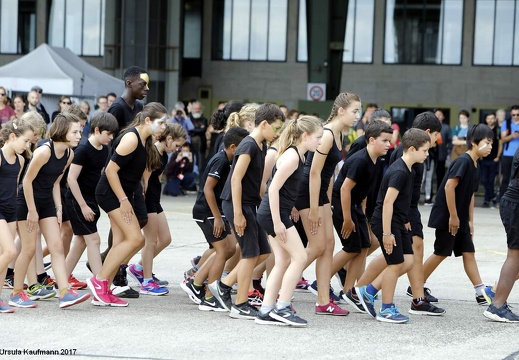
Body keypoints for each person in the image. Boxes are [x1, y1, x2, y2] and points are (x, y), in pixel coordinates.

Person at [87, 102, 167, 307]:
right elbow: (110, 171)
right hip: (109, 193)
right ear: (148, 120)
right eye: (161, 122)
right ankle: (99, 281)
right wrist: (124, 201)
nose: (164, 127)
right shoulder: (131, 138)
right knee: (135, 239)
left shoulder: (144, 139)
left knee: (120, 242)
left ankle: (105, 288)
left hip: (121, 193)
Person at [208, 103, 284, 319]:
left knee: (263, 251)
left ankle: (224, 285)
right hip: (237, 204)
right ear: (264, 124)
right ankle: (240, 303)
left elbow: (256, 183)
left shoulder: (260, 145)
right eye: (276, 129)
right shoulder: (248, 145)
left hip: (250, 204)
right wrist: (239, 213)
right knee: (250, 253)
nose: (278, 133)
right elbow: (236, 180)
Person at [11, 113, 90, 309]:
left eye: (79, 131)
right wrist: (31, 210)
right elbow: (27, 181)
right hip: (27, 201)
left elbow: (55, 182)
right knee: (29, 249)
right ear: (62, 131)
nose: (79, 135)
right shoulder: (44, 152)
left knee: (56, 246)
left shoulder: (69, 154)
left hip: (47, 202)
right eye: (75, 132)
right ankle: (16, 293)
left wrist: (59, 207)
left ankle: (64, 293)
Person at [356, 129, 431, 323]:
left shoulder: (409, 169)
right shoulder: (399, 171)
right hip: (386, 223)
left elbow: (401, 201)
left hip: (398, 222)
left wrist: (405, 219)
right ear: (413, 149)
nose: (427, 154)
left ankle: (368, 291)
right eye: (425, 150)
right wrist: (387, 233)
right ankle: (387, 309)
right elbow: (387, 203)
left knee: (408, 261)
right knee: (395, 264)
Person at [295, 92, 360, 316]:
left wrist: (328, 204)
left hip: (321, 194)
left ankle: (323, 301)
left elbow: (329, 174)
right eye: (354, 111)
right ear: (341, 111)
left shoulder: (339, 134)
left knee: (329, 245)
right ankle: (277, 289)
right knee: (316, 246)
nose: (357, 116)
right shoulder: (328, 134)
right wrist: (314, 209)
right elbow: (313, 171)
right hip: (307, 192)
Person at [255, 116, 323, 326]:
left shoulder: (298, 156)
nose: (320, 142)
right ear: (305, 136)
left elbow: (283, 189)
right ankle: (283, 307)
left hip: (276, 213)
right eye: (317, 137)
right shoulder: (293, 157)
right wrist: (277, 222)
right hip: (273, 215)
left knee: (283, 260)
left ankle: (266, 310)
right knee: (300, 257)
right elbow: (273, 188)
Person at [423, 124, 495, 305]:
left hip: (460, 219)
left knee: (468, 251)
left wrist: (470, 221)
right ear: (474, 142)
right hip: (448, 217)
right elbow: (449, 187)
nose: (490, 147)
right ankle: (416, 286)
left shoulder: (475, 164)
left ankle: (480, 292)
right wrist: (453, 216)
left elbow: (470, 194)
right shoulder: (463, 161)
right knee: (441, 252)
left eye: (492, 143)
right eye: (487, 143)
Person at [181, 127, 249, 310]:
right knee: (222, 250)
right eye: (244, 148)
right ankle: (210, 296)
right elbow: (208, 189)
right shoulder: (220, 160)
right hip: (207, 211)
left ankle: (196, 283)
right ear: (233, 147)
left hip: (214, 211)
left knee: (228, 249)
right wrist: (217, 217)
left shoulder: (227, 160)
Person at [330, 120, 393, 311]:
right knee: (351, 247)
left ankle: (350, 291)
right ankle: (320, 281)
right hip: (343, 206)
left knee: (364, 245)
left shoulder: (376, 160)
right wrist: (348, 219)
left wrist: (363, 215)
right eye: (385, 141)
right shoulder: (360, 160)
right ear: (371, 140)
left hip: (355, 206)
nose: (388, 145)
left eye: (389, 141)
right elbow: (344, 189)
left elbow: (363, 191)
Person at [388, 112, 444, 315]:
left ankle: (418, 297)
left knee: (413, 252)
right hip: (405, 210)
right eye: (436, 134)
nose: (437, 139)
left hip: (410, 209)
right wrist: (402, 217)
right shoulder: (407, 154)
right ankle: (367, 289)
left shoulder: (417, 152)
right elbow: (396, 189)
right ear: (427, 132)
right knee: (407, 255)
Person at [104, 66, 150, 298]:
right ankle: (115, 270)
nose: (147, 89)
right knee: (123, 227)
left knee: (140, 219)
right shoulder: (117, 108)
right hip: (118, 178)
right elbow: (108, 144)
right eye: (143, 84)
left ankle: (110, 260)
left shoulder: (139, 109)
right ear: (130, 83)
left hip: (133, 177)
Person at [128, 123, 186, 296]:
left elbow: (157, 179)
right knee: (150, 241)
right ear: (168, 139)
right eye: (176, 145)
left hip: (155, 200)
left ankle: (138, 268)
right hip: (146, 200)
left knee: (166, 238)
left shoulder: (164, 155)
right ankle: (146, 282)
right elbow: (144, 180)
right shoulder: (152, 152)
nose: (177, 149)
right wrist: (141, 205)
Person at [64, 113, 119, 288]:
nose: (111, 138)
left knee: (81, 241)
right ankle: (101, 284)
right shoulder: (82, 150)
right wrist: (83, 206)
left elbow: (101, 174)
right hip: (76, 200)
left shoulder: (104, 150)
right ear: (97, 130)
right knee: (94, 240)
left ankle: (62, 279)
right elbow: (71, 179)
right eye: (108, 134)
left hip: (91, 200)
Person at [0, 119, 35, 313]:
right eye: (25, 141)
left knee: (3, 256)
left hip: (10, 210)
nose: (27, 145)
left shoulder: (20, 160)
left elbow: (13, 187)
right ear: (13, 137)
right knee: (11, 252)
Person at [484, 146, 519, 322]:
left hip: (513, 204)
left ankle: (496, 291)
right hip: (516, 205)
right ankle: (497, 306)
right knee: (515, 255)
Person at [480, 113, 502, 208]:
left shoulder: (498, 130)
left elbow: (500, 144)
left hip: (493, 159)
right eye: (488, 118)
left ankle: (486, 200)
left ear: (495, 119)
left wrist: (498, 156)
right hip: (483, 158)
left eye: (492, 118)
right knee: (484, 180)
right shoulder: (482, 131)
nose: (490, 120)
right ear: (486, 119)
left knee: (491, 180)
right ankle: (493, 196)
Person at [499, 105, 519, 203]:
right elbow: (502, 139)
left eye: (518, 114)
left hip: (518, 155)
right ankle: (501, 200)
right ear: (511, 114)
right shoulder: (506, 123)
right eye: (513, 114)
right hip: (507, 154)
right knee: (505, 178)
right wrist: (512, 136)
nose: (515, 116)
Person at [188, 100, 208, 171]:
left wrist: (194, 129)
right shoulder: (189, 118)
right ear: (192, 109)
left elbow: (203, 130)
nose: (197, 110)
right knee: (191, 160)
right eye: (195, 108)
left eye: (198, 108)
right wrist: (198, 129)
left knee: (201, 162)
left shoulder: (204, 119)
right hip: (190, 145)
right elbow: (188, 130)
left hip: (201, 145)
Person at [434, 109, 451, 192]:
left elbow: (450, 141)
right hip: (430, 155)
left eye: (440, 114)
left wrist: (448, 152)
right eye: (436, 114)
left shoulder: (446, 128)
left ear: (443, 117)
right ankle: (428, 196)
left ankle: (439, 192)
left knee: (441, 174)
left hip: (441, 154)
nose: (438, 116)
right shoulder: (430, 126)